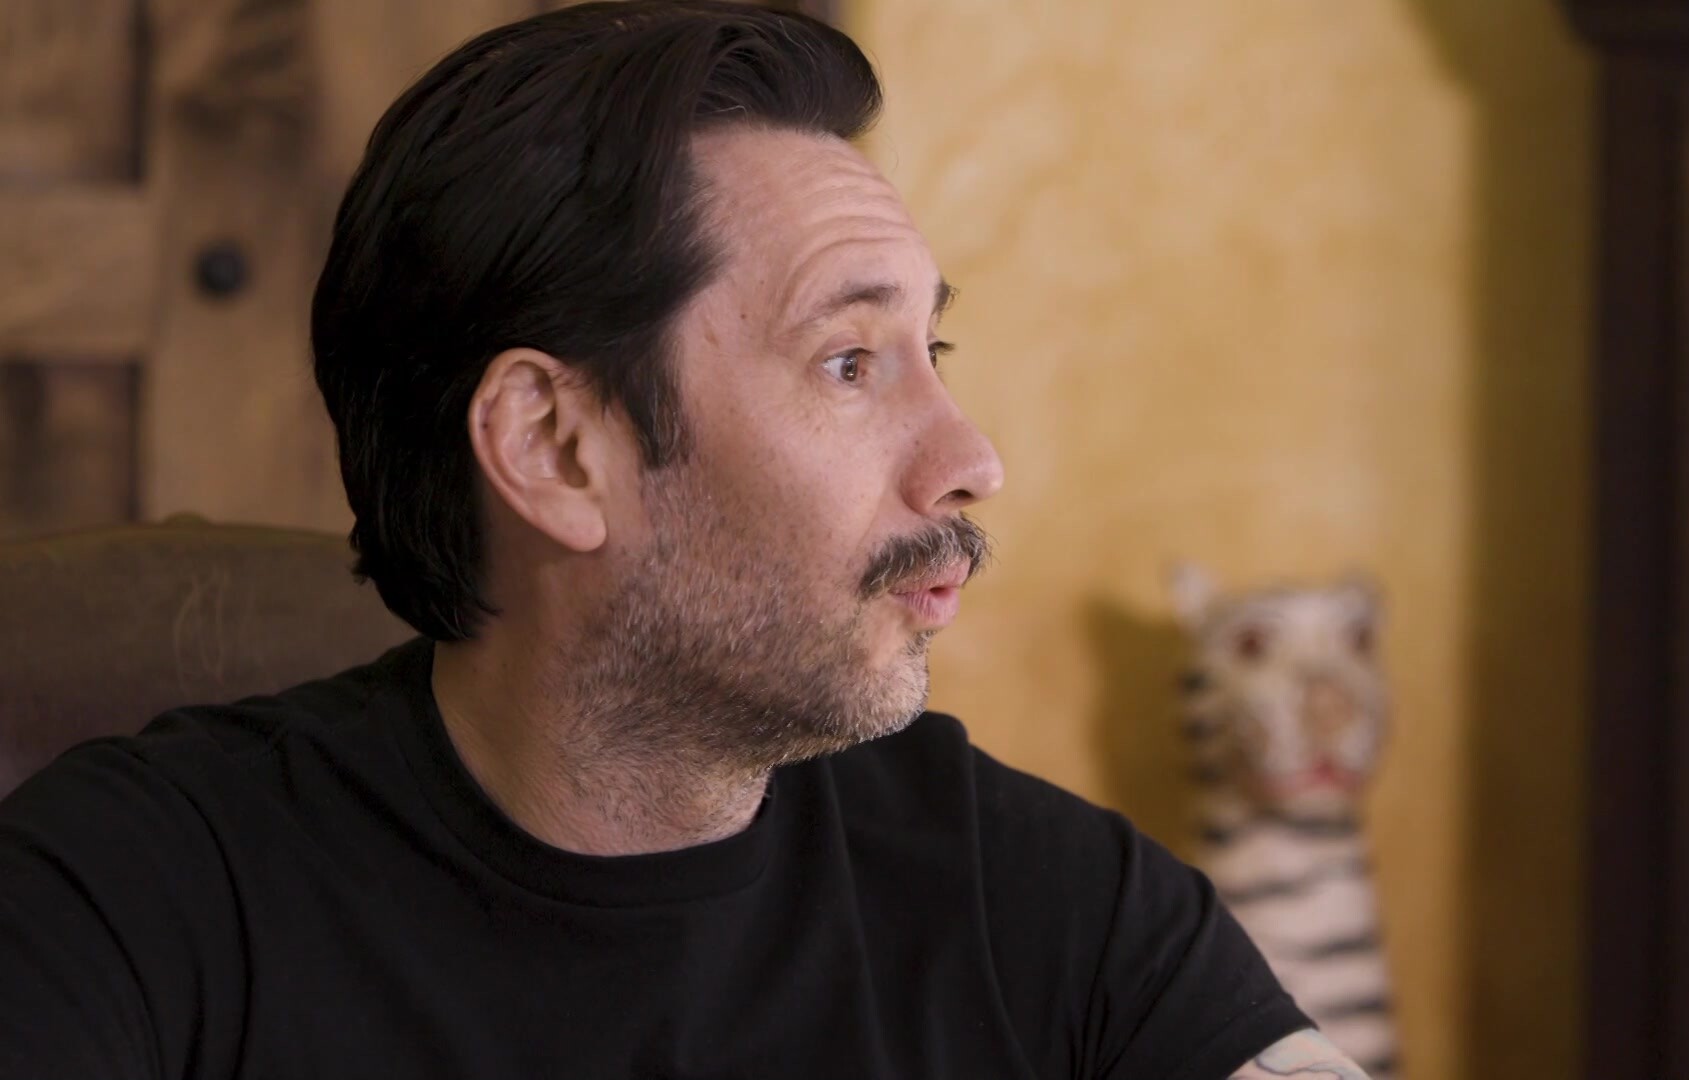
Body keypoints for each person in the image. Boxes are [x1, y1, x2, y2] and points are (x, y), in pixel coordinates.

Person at [0, 3, 1371, 1077]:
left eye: (931, 350)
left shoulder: (1046, 902)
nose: (971, 462)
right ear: (553, 447)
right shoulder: (125, 900)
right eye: (849, 363)